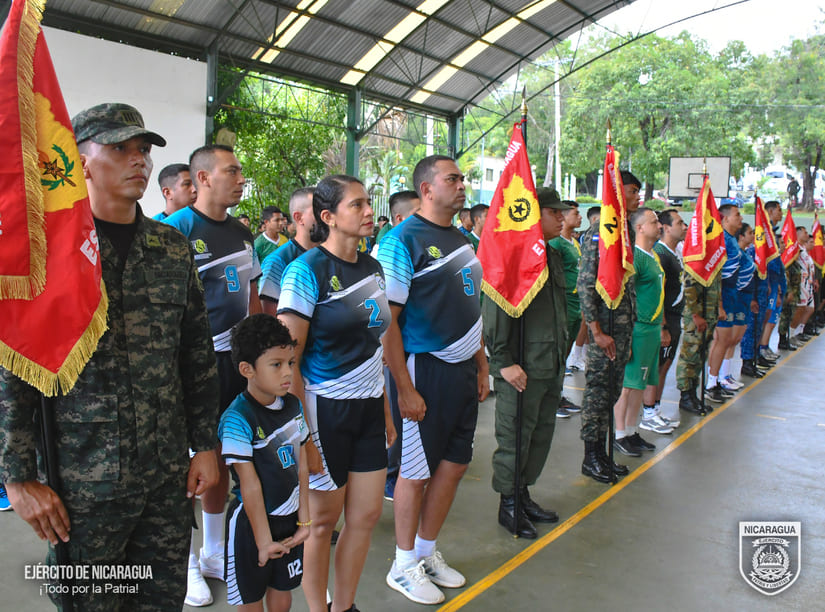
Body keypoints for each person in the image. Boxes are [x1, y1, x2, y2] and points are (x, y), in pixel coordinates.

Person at [0, 102, 220, 610]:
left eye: (142, 148)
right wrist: (18, 477)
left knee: (160, 601)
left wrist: (205, 444)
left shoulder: (171, 248)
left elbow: (195, 354)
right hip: (83, 483)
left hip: (165, 477)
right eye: (120, 148)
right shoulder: (47, 255)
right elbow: (15, 373)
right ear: (80, 162)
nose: (138, 159)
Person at [278, 175, 395, 612]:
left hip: (369, 409)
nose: (368, 212)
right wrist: (303, 435)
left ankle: (344, 606)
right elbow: (287, 361)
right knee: (323, 521)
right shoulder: (305, 271)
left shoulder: (373, 268)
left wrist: (385, 410)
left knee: (365, 517)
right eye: (357, 205)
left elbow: (375, 344)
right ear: (327, 217)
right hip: (324, 411)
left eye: (368, 203)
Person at [377, 155, 489, 605]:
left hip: (464, 370)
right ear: (426, 189)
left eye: (462, 178)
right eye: (452, 179)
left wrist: (481, 365)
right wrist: (404, 387)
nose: (462, 185)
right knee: (415, 471)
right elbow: (387, 322)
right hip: (425, 368)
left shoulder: (462, 239)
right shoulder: (401, 241)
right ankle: (402, 564)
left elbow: (471, 307)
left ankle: (425, 552)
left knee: (455, 464)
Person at [164, 143, 263, 607]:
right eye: (232, 171)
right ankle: (184, 565)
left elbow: (252, 299)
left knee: (221, 459)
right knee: (188, 464)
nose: (241, 179)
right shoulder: (176, 230)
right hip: (192, 366)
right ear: (202, 178)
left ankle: (213, 552)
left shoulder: (243, 233)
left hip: (235, 365)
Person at [483, 189, 570, 539]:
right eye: (554, 212)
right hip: (522, 366)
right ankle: (508, 503)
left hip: (549, 362)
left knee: (540, 435)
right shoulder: (514, 255)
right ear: (535, 214)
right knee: (515, 436)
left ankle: (522, 493)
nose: (562, 218)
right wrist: (503, 360)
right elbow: (496, 308)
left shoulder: (553, 255)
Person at [219, 314, 310, 611]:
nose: (288, 372)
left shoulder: (293, 405)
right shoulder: (237, 419)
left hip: (289, 520)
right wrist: (263, 542)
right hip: (251, 525)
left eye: (290, 363)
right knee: (251, 601)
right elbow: (250, 485)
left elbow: (302, 467)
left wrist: (304, 522)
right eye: (276, 364)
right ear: (247, 369)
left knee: (283, 594)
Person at [577, 170, 640, 483]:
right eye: (632, 191)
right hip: (605, 328)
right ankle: (590, 456)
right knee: (598, 394)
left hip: (621, 327)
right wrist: (596, 331)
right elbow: (586, 283)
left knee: (612, 392)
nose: (637, 197)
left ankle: (602, 454)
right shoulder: (601, 229)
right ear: (618, 191)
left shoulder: (624, 227)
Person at [612, 208, 669, 458]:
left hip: (652, 328)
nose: (659, 225)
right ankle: (619, 434)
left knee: (640, 384)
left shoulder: (652, 255)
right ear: (639, 228)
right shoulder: (634, 257)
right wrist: (625, 332)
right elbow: (623, 294)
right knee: (627, 385)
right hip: (638, 328)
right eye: (654, 222)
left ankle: (632, 431)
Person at [376, 190, 421, 501]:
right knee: (396, 411)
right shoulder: (391, 247)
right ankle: (391, 475)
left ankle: (405, 469)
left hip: (415, 341)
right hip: (396, 343)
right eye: (419, 212)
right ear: (399, 218)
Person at [646, 209, 687, 423]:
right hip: (665, 318)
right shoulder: (660, 254)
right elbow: (657, 292)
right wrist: (662, 325)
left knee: (665, 365)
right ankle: (649, 412)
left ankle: (657, 408)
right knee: (658, 366)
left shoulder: (675, 252)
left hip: (674, 317)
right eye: (679, 223)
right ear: (667, 228)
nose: (684, 227)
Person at [548, 200, 584, 417]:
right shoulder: (556, 243)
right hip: (563, 302)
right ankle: (552, 399)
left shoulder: (573, 242)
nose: (580, 217)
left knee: (565, 352)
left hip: (575, 302)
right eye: (575, 213)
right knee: (557, 352)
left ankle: (559, 394)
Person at [704, 204, 744, 403]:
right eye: (737, 215)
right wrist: (719, 303)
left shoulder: (732, 239)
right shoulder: (722, 240)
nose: (741, 218)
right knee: (722, 340)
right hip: (723, 296)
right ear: (725, 218)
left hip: (732, 295)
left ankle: (718, 378)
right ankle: (711, 383)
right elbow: (716, 273)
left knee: (727, 340)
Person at [259, 187, 318, 314]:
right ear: (299, 218)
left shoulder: (329, 254)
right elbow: (268, 317)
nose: (326, 215)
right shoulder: (276, 261)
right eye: (317, 210)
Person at [758, 201, 787, 360]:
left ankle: (765, 346)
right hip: (769, 281)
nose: (781, 213)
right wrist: (769, 283)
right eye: (779, 210)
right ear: (770, 211)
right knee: (766, 317)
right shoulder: (765, 232)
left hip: (776, 281)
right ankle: (760, 349)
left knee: (772, 317)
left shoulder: (773, 232)